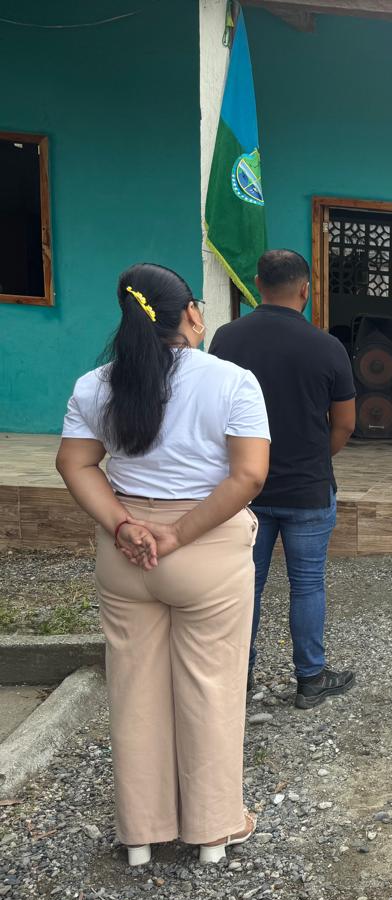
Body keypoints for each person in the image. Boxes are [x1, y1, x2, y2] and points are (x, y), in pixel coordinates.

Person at [56, 263, 270, 867]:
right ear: (192, 314)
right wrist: (176, 534)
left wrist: (123, 525)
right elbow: (250, 476)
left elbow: (74, 463)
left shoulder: (96, 385)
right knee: (211, 687)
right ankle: (212, 831)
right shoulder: (232, 382)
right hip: (204, 547)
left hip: (126, 548)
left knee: (133, 690)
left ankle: (141, 834)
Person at [209, 250, 357, 709]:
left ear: (257, 284)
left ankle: (239, 677)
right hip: (308, 489)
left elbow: (214, 411)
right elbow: (345, 423)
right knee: (307, 583)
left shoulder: (226, 339)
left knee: (245, 584)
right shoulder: (327, 347)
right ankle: (311, 678)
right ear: (305, 289)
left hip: (243, 490)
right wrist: (315, 457)